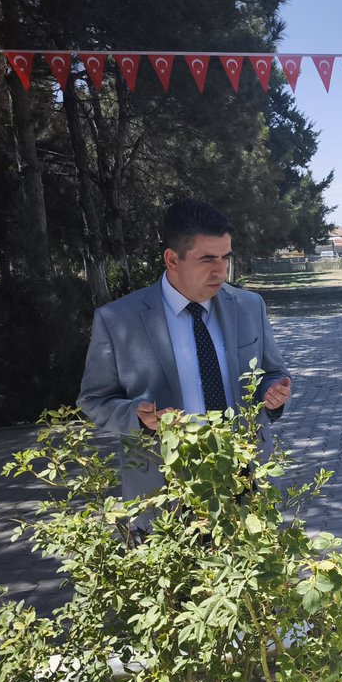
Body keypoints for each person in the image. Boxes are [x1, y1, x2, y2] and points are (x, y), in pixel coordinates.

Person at [78, 199, 291, 500]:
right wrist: (135, 417)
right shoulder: (117, 319)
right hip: (164, 490)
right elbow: (93, 400)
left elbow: (273, 372)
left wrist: (274, 394)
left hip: (248, 480)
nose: (221, 271)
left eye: (225, 258)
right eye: (207, 260)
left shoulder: (248, 306)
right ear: (172, 259)